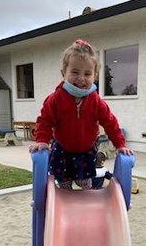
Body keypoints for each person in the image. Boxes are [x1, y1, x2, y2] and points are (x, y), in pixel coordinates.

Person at [29, 38, 133, 190]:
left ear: (94, 75)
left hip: (86, 150)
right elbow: (45, 120)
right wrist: (42, 140)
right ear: (64, 73)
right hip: (62, 149)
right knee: (63, 185)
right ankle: (64, 201)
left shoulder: (95, 101)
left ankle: (86, 201)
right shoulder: (56, 99)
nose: (81, 78)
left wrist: (120, 145)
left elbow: (110, 122)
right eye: (75, 72)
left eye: (87, 73)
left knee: (85, 184)